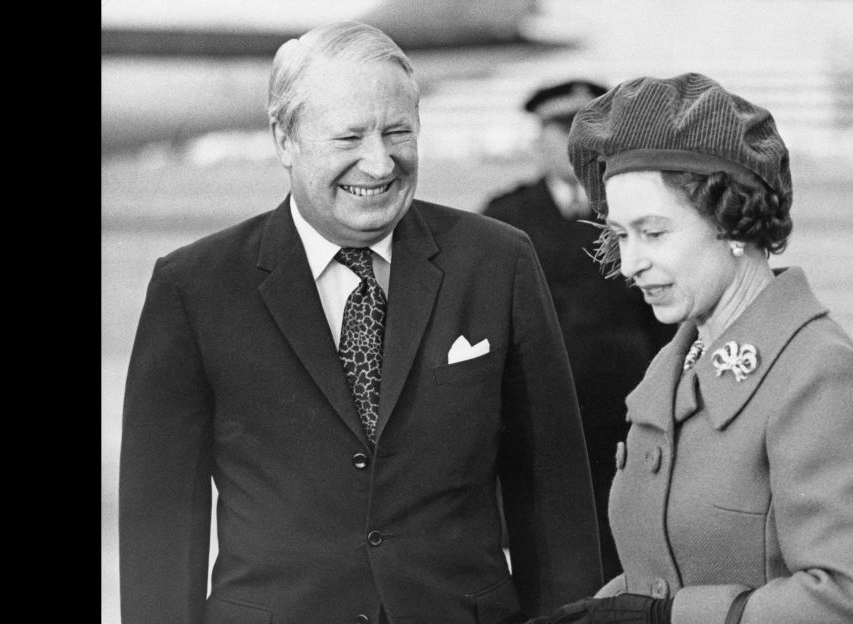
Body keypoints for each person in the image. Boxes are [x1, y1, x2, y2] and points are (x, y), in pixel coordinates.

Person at [118, 21, 602, 624]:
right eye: (348, 137)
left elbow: (553, 501)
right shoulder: (194, 287)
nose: (379, 163)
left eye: (397, 132)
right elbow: (159, 524)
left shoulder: (497, 261)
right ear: (284, 138)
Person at [528, 73, 853, 624]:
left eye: (653, 233)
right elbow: (670, 565)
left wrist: (664, 618)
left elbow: (852, 599)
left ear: (732, 223)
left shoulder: (817, 374)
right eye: (621, 236)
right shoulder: (675, 363)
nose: (629, 265)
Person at [481, 80, 675, 580]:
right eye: (557, 127)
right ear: (536, 139)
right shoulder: (504, 217)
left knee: (628, 558)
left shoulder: (639, 214)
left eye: (584, 129)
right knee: (549, 561)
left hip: (629, 418)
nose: (571, 143)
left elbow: (667, 320)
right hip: (538, 422)